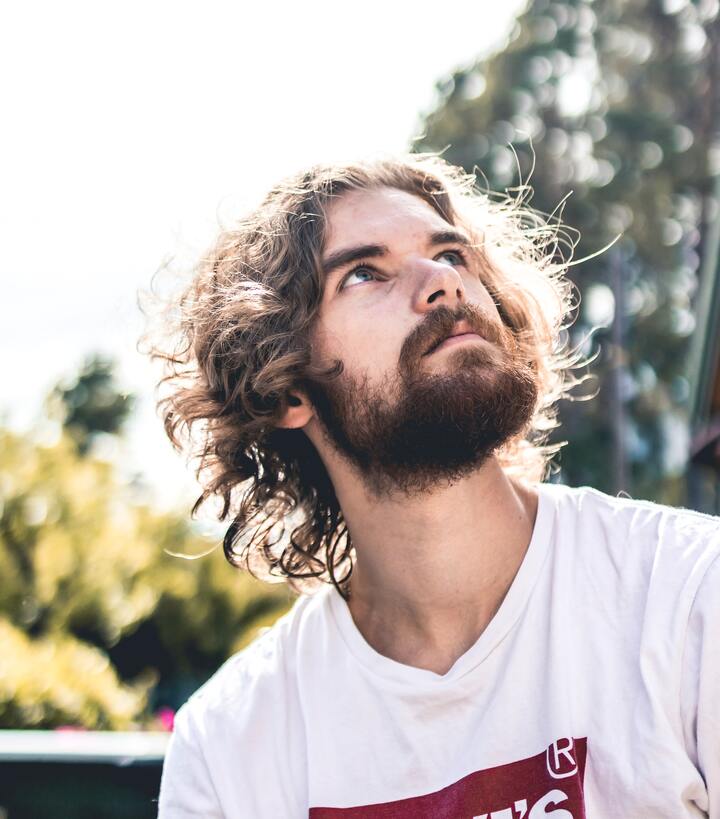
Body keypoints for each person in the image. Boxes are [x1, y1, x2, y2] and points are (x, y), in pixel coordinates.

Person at [152, 154, 720, 818]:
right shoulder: (231, 750)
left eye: (451, 253)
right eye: (364, 273)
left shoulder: (688, 599)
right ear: (288, 387)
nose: (440, 281)